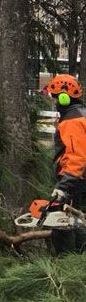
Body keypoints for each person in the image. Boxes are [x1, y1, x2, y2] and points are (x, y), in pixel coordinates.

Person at [45, 73, 86, 255]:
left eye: (54, 98)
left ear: (63, 97)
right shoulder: (79, 115)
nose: (53, 102)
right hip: (78, 180)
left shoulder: (72, 121)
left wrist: (63, 187)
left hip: (75, 180)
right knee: (78, 222)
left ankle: (68, 265)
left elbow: (78, 158)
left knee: (63, 224)